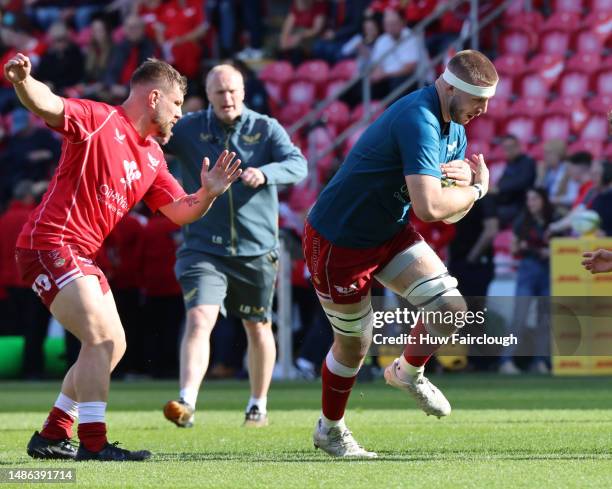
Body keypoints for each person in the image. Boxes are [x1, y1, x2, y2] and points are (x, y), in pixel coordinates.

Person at [5, 53, 242, 461]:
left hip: (80, 254)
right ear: (153, 98)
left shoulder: (151, 156)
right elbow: (49, 103)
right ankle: (93, 443)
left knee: (113, 346)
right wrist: (23, 81)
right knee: (100, 340)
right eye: (177, 104)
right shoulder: (98, 118)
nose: (180, 115)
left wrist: (208, 194)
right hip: (52, 243)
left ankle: (53, 433)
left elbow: (181, 210)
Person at [303, 50, 498, 457]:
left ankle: (407, 372)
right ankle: (330, 429)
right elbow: (430, 208)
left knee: (451, 310)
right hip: (339, 241)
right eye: (478, 99)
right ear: (450, 87)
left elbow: (449, 218)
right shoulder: (419, 118)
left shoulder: (455, 127)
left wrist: (461, 192)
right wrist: (477, 190)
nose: (483, 109)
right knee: (355, 345)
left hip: (389, 232)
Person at [162, 64, 307, 428]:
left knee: (257, 326)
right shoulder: (190, 127)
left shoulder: (265, 127)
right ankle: (187, 402)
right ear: (208, 95)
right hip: (203, 246)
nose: (227, 99)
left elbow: (298, 164)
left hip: (256, 247)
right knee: (199, 317)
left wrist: (266, 173)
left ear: (243, 92)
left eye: (232, 91)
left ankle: (258, 404)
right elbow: (153, 139)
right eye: (219, 92)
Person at [499, 188, 555, 375]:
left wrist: (547, 251)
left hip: (548, 270)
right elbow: (513, 249)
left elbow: (562, 244)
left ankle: (541, 361)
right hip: (528, 269)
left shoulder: (553, 220)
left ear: (543, 200)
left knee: (545, 318)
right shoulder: (523, 221)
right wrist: (526, 248)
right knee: (519, 317)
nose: (531, 202)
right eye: (528, 199)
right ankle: (506, 361)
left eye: (535, 198)